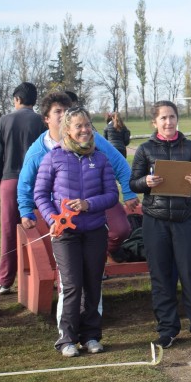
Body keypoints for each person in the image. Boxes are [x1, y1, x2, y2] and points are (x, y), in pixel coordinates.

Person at [130, 101, 191, 347]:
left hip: (185, 220)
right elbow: (133, 182)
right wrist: (146, 181)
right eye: (163, 118)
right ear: (155, 122)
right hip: (155, 221)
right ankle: (167, 329)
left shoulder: (190, 147)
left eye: (172, 117)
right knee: (161, 276)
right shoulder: (145, 149)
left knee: (190, 274)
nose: (168, 122)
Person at [35, 107, 118, 356]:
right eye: (78, 126)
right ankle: (67, 339)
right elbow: (40, 194)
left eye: (87, 125)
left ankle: (91, 336)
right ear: (67, 129)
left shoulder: (101, 158)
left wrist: (88, 205)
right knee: (72, 285)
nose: (84, 130)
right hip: (65, 234)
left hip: (94, 230)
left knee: (93, 283)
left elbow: (112, 195)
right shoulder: (54, 157)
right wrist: (52, 218)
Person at [18, 95, 138, 266]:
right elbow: (26, 183)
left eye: (67, 110)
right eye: (58, 111)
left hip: (96, 201)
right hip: (62, 208)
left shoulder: (92, 139)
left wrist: (128, 191)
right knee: (70, 250)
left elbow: (118, 162)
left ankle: (103, 254)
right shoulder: (38, 150)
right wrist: (25, 210)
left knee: (121, 230)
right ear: (46, 118)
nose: (64, 114)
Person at [0, 82, 46, 295]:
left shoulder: (5, 120)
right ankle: (40, 271)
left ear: (16, 99)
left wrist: (1, 178)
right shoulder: (41, 121)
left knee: (8, 230)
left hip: (10, 179)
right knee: (37, 228)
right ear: (35, 100)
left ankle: (5, 280)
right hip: (36, 179)